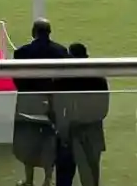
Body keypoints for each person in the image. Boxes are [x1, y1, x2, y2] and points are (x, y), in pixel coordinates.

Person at [13, 19, 69, 186]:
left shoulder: (22, 52)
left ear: (33, 32)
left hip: (28, 102)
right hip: (53, 103)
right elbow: (65, 79)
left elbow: (17, 78)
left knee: (27, 140)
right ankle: (47, 179)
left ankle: (29, 179)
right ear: (49, 32)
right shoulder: (60, 51)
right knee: (49, 141)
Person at [54, 43, 108, 186]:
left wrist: (62, 128)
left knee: (64, 177)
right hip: (91, 133)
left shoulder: (63, 79)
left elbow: (56, 108)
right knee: (91, 178)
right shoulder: (98, 79)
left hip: (69, 133)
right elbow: (103, 110)